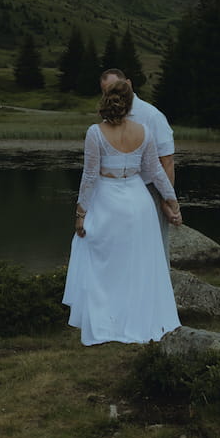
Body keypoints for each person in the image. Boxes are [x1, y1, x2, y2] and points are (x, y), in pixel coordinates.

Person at [63, 78, 183, 345]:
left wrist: (81, 213)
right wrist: (172, 201)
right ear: (130, 103)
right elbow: (157, 172)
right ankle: (137, 318)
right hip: (139, 203)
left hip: (108, 201)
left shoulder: (95, 133)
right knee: (137, 264)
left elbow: (90, 176)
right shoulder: (144, 131)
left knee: (105, 262)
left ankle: (108, 320)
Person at [100, 68, 178, 246]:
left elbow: (167, 162)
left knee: (153, 245)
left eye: (115, 88)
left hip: (150, 190)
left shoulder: (152, 116)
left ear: (128, 84)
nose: (112, 95)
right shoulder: (107, 119)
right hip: (116, 194)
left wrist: (165, 201)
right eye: (106, 92)